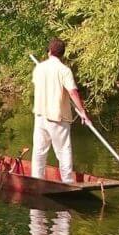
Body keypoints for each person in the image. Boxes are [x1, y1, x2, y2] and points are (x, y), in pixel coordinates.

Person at [31, 38, 92, 184]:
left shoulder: (39, 68)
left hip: (40, 116)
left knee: (39, 152)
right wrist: (82, 112)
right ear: (62, 54)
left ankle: (36, 180)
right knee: (63, 152)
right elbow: (72, 92)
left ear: (50, 51)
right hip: (57, 117)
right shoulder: (64, 70)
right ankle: (68, 182)